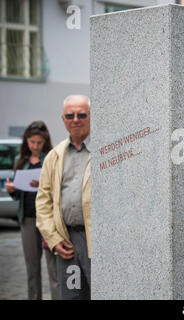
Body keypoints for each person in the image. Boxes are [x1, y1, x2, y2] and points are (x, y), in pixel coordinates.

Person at [36, 95, 91, 300]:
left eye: (81, 114)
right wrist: (53, 238)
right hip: (67, 241)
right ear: (63, 119)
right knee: (71, 295)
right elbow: (43, 201)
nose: (75, 119)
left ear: (91, 116)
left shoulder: (104, 151)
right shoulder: (54, 155)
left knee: (101, 291)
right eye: (70, 115)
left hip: (97, 240)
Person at [5, 121, 59, 300]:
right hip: (27, 219)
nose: (35, 146)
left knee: (54, 268)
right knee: (32, 268)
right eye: (32, 143)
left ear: (45, 142)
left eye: (39, 143)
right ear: (26, 142)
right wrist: (12, 190)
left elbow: (59, 189)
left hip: (48, 220)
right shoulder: (20, 161)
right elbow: (18, 193)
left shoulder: (51, 159)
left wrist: (43, 184)